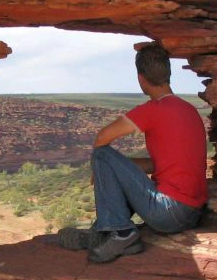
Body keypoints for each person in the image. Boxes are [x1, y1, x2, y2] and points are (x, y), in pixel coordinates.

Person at [58, 43, 208, 263]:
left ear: (141, 78)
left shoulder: (153, 109)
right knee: (110, 163)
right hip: (193, 213)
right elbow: (162, 164)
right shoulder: (190, 110)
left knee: (102, 154)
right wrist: (116, 171)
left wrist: (101, 167)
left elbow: (102, 138)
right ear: (168, 74)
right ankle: (101, 233)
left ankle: (121, 234)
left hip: (168, 213)